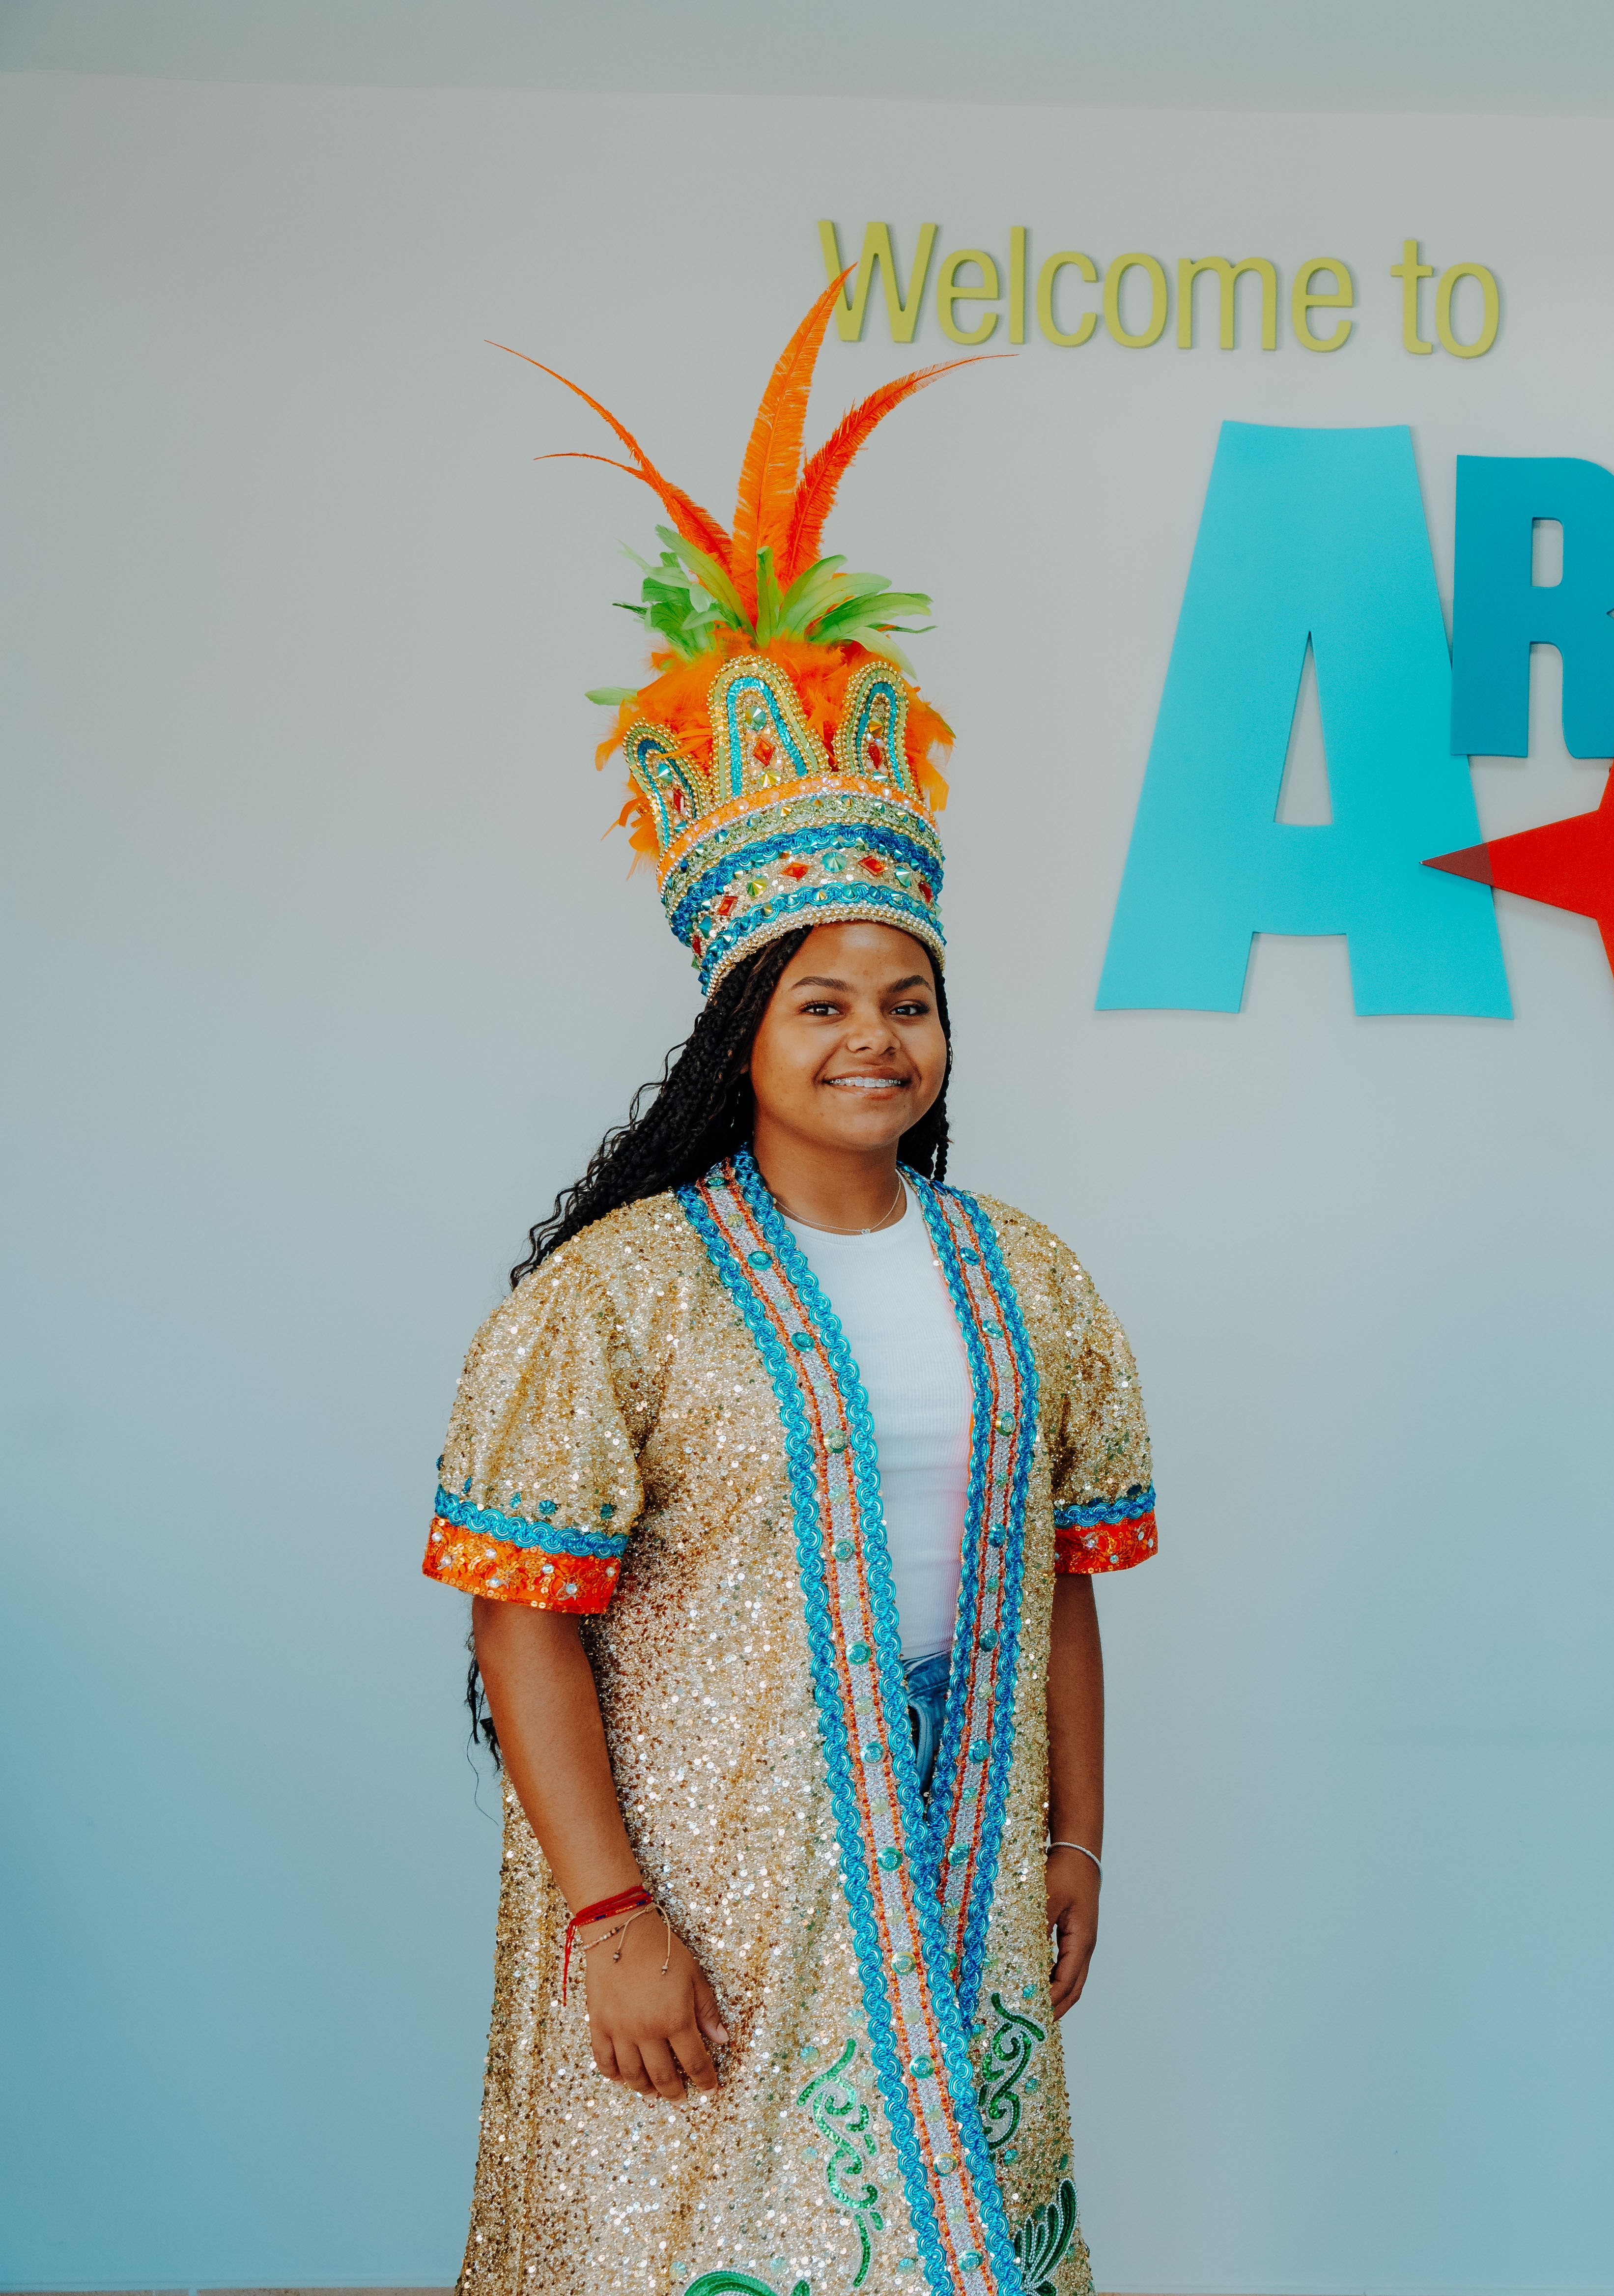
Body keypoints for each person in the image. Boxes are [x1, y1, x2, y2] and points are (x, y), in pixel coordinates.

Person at [426, 287, 1154, 2296]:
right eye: (822, 1002)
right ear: (739, 1032)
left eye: (908, 999)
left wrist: (1077, 1839)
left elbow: (1063, 1580)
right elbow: (523, 1618)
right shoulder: (621, 1295)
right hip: (713, 1886)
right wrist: (611, 1915)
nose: (874, 1036)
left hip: (956, 1863)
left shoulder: (1030, 1282)